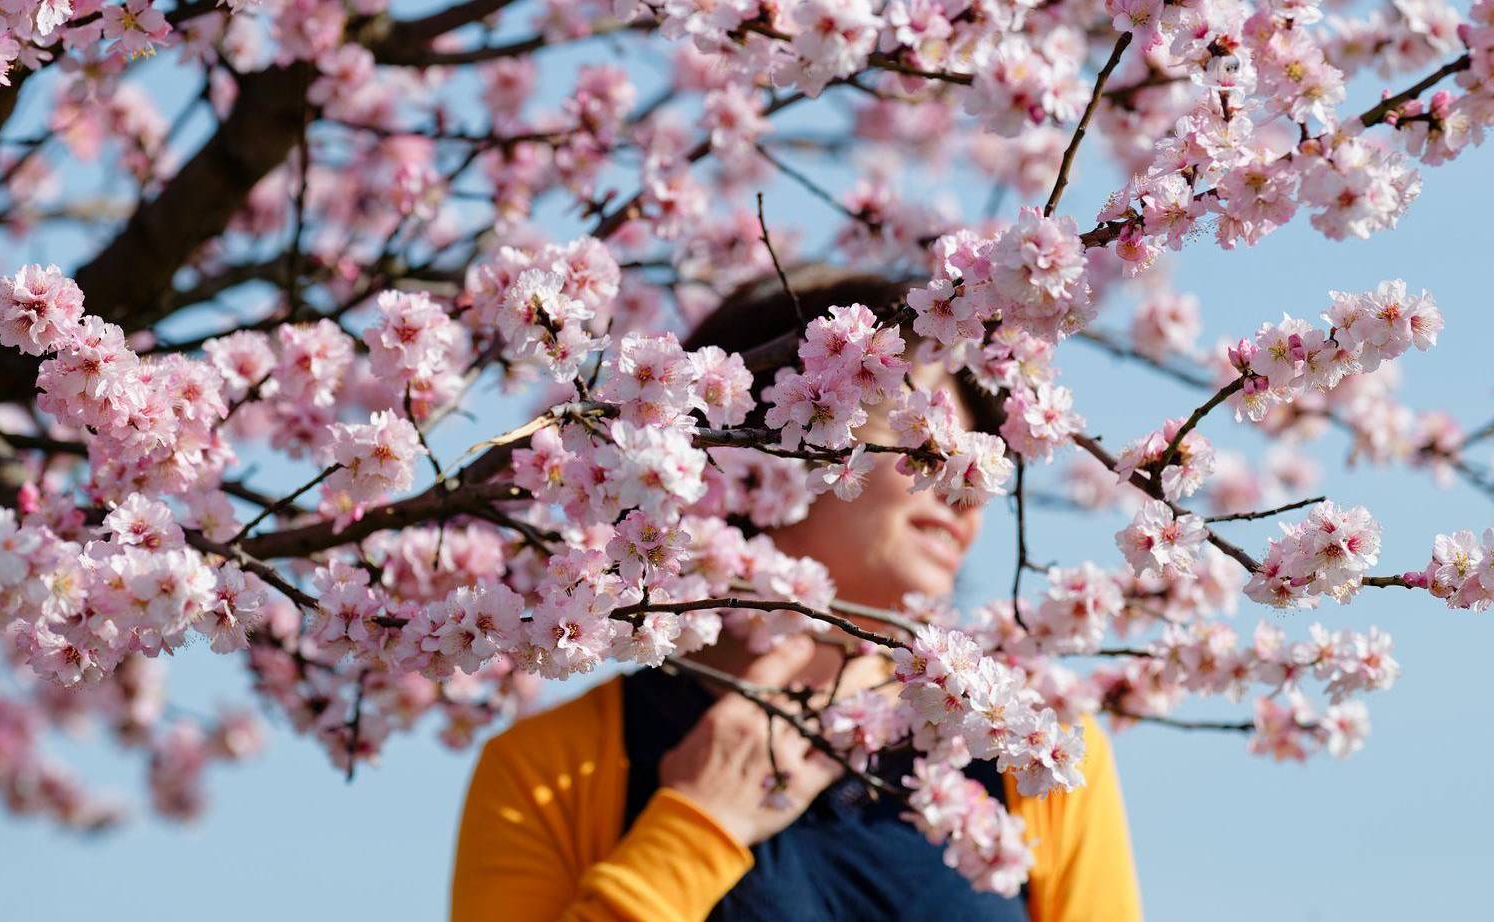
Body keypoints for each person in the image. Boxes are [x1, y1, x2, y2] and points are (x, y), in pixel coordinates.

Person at [450, 270, 1142, 921]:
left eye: (975, 456)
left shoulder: (1032, 753)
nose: (966, 485)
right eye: (921, 434)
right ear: (754, 444)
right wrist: (696, 831)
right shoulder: (551, 774)